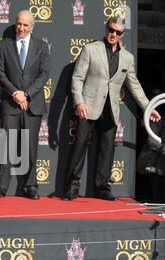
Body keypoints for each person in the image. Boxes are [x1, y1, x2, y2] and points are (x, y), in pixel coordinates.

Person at [62, 16, 161, 201]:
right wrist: (79, 101)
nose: (113, 34)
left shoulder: (127, 58)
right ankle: (71, 188)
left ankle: (102, 188)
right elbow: (77, 78)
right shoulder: (90, 49)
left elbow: (134, 85)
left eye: (118, 32)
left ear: (123, 35)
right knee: (79, 147)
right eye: (111, 30)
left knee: (107, 152)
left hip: (110, 111)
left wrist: (149, 107)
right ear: (106, 28)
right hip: (88, 107)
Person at [0, 10, 50, 199]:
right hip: (10, 103)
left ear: (32, 27)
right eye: (19, 24)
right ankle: (1, 187)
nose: (21, 28)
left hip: (33, 105)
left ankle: (31, 186)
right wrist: (15, 93)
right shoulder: (3, 46)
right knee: (6, 146)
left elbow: (44, 74)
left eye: (25, 25)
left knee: (31, 147)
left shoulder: (41, 46)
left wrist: (27, 94)